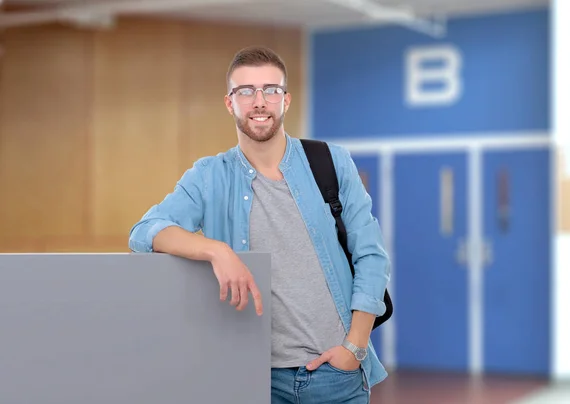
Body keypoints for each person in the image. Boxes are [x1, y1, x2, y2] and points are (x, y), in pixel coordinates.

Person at [129, 45, 390, 403]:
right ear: (229, 102)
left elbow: (372, 257)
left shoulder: (331, 162)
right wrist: (215, 250)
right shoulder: (208, 176)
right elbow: (145, 232)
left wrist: (355, 348)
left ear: (286, 100)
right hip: (249, 378)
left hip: (335, 374)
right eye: (246, 91)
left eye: (271, 90)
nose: (259, 101)